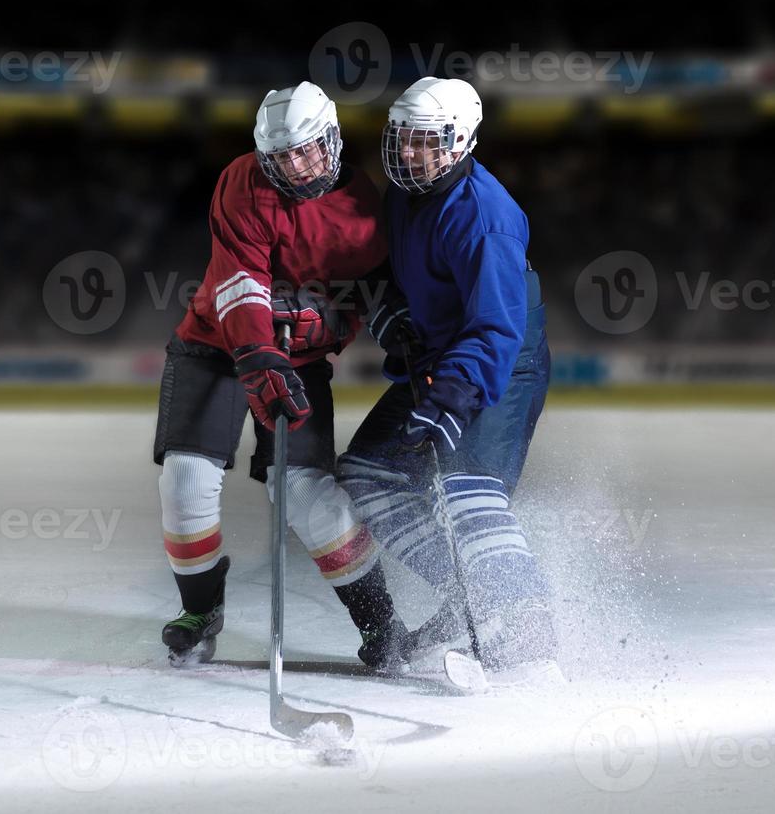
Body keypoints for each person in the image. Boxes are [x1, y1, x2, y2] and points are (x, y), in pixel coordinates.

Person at [152, 81, 408, 670]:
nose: (295, 166)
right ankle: (200, 609)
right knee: (186, 482)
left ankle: (381, 624)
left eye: (308, 151)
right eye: (282, 156)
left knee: (306, 494)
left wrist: (322, 325)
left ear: (333, 141)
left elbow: (361, 303)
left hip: (297, 359)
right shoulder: (243, 180)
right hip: (217, 346)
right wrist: (258, 353)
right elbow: (240, 283)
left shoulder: (367, 212)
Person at [338, 76, 556, 672]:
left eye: (423, 141)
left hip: (498, 366)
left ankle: (525, 625)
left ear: (459, 143)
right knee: (368, 473)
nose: (407, 152)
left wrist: (453, 397)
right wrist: (392, 310)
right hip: (439, 356)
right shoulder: (405, 194)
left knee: (470, 493)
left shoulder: (486, 218)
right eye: (401, 138)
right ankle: (473, 597)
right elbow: (389, 267)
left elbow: (496, 328)